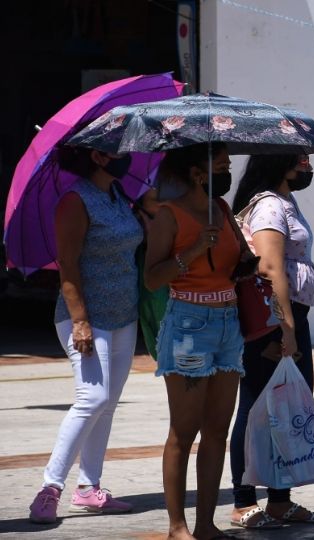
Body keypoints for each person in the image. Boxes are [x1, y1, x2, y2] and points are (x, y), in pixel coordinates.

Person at [144, 143, 252, 540]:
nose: (227, 172)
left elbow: (235, 261)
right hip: (188, 324)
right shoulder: (169, 216)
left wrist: (245, 261)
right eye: (221, 166)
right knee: (184, 430)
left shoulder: (222, 211)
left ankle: (205, 524)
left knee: (217, 432)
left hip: (227, 323)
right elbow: (152, 278)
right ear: (196, 173)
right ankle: (177, 527)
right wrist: (192, 251)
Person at [28, 147, 141, 524]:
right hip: (86, 318)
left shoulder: (118, 195)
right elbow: (68, 264)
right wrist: (80, 320)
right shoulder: (76, 201)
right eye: (119, 149)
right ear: (99, 156)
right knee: (92, 398)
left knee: (108, 403)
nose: (127, 154)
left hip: (124, 315)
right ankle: (50, 488)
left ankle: (89, 488)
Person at [228, 154, 314, 529]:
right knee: (255, 408)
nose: (307, 168)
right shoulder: (268, 205)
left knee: (287, 408)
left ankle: (280, 501)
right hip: (274, 318)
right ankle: (243, 501)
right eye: (301, 161)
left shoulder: (285, 201)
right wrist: (284, 328)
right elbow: (270, 269)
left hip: (291, 316)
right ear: (280, 163)